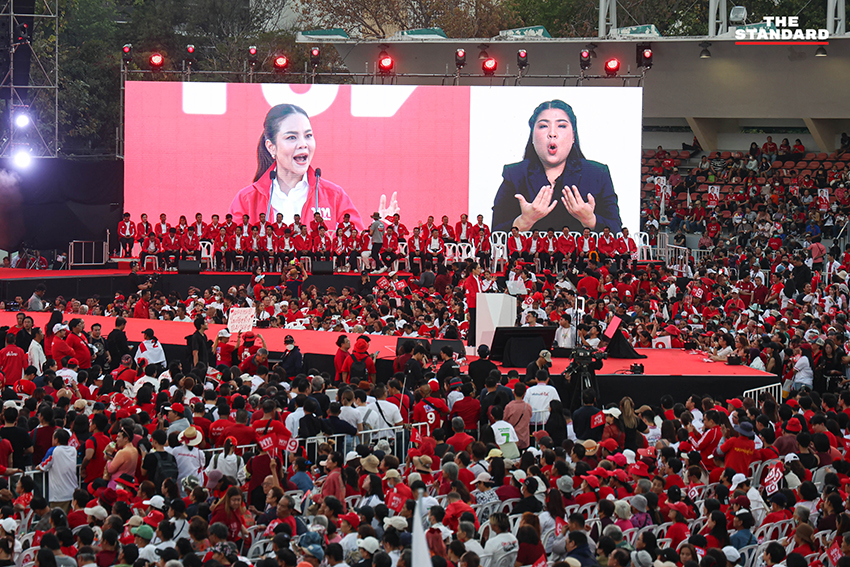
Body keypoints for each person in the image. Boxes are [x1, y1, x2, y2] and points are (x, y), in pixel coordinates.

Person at [230, 104, 365, 232]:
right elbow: (227, 249)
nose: (303, 144)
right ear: (271, 147)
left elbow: (359, 247)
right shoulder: (247, 200)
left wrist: (382, 226)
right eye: (292, 137)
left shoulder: (334, 197)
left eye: (308, 136)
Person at [491, 99, 622, 232]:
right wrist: (524, 221)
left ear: (573, 136)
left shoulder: (597, 174)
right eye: (543, 126)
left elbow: (617, 231)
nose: (552, 133)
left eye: (562, 126)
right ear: (532, 136)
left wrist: (591, 220)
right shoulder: (514, 175)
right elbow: (494, 235)